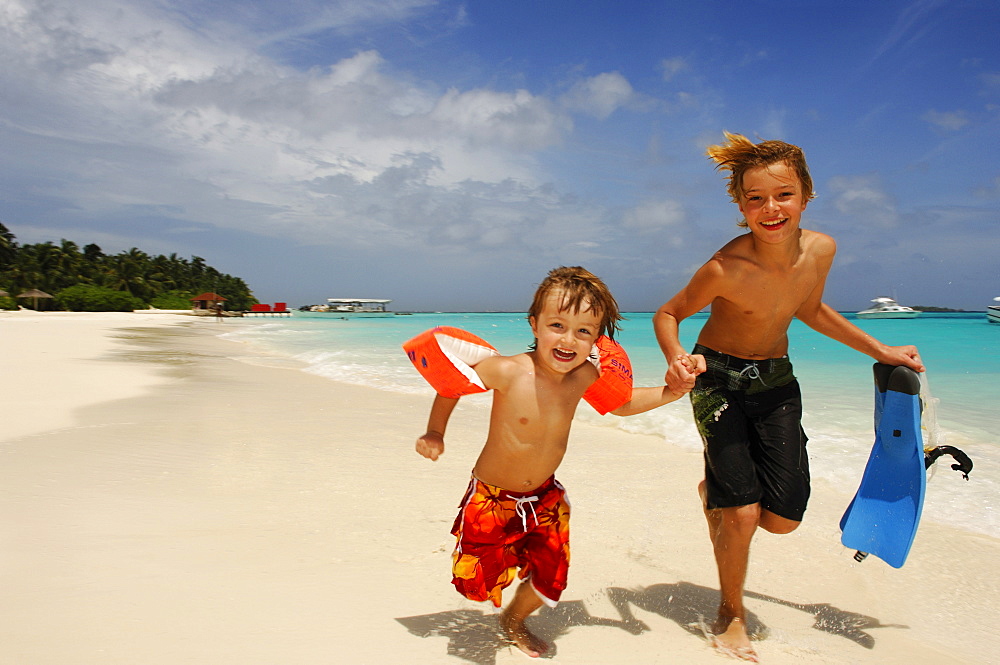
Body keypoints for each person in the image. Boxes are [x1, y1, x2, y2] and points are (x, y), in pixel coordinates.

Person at [652, 132, 924, 662]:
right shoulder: (725, 268)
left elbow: (811, 309)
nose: (770, 208)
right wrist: (676, 356)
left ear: (806, 195)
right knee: (744, 515)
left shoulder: (821, 250)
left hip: (776, 381)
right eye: (755, 198)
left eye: (783, 195)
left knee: (783, 518)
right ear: (740, 205)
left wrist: (881, 348)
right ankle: (731, 612)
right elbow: (669, 313)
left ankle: (717, 492)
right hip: (718, 381)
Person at [415, 266, 695, 658]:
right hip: (492, 497)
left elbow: (623, 404)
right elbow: (452, 386)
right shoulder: (510, 370)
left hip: (545, 497)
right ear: (535, 325)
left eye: (584, 331)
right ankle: (500, 576)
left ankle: (514, 620)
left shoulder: (584, 376)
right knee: (474, 583)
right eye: (557, 325)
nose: (569, 339)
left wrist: (670, 391)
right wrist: (435, 433)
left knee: (552, 578)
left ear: (596, 337)